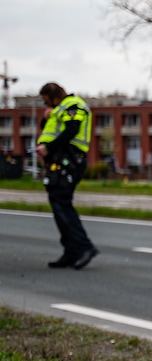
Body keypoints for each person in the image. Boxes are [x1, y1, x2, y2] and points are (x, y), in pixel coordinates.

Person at [36, 82, 98, 269]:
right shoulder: (58, 109)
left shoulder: (73, 105)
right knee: (58, 204)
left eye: (47, 102)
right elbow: (50, 129)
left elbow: (71, 130)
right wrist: (46, 118)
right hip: (60, 159)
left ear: (55, 98)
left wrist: (48, 148)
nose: (47, 106)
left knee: (61, 202)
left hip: (70, 159)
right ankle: (71, 250)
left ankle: (84, 246)